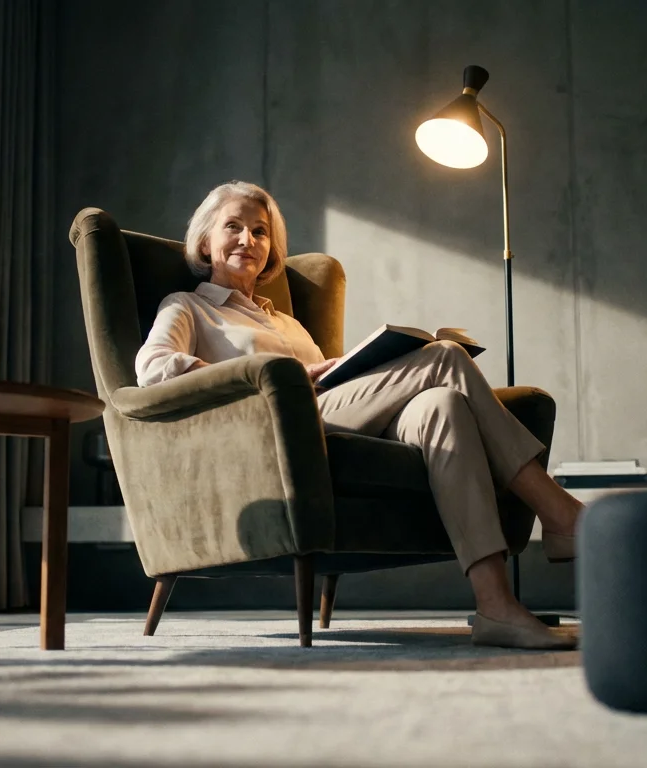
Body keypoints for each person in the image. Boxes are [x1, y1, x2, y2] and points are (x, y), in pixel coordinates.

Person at [136, 180, 586, 650]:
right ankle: (559, 513)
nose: (248, 240)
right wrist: (271, 373)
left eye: (260, 231)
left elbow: (333, 385)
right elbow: (153, 368)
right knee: (446, 356)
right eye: (233, 227)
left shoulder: (287, 323)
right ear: (206, 240)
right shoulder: (189, 306)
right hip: (276, 430)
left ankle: (496, 605)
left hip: (334, 417)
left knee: (444, 404)